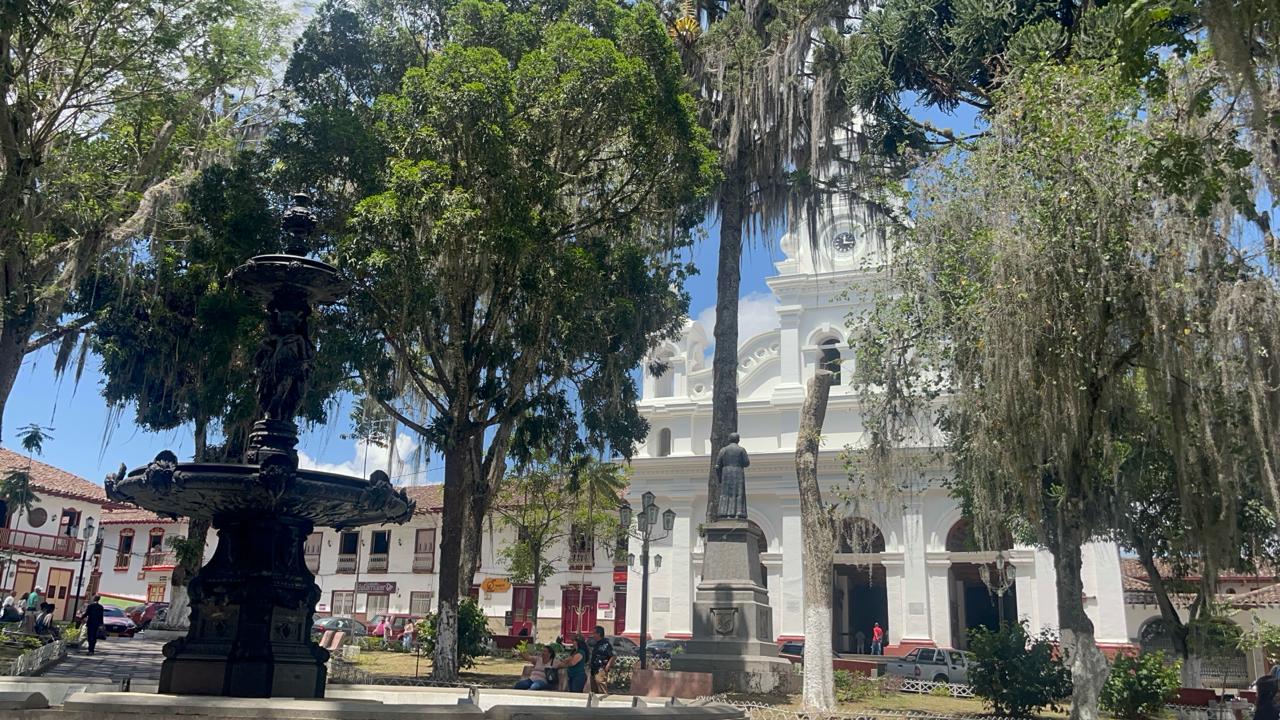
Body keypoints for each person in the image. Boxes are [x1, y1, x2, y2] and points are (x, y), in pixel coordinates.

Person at [589, 626, 615, 693]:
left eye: (594, 633)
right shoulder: (596, 644)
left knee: (601, 689)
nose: (593, 635)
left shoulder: (606, 644)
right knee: (594, 691)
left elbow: (613, 655)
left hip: (601, 669)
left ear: (599, 634)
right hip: (594, 669)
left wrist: (608, 665)